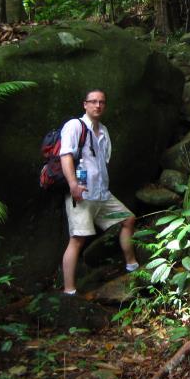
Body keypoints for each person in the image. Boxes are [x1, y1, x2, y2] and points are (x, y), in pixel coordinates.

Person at [60, 89, 138, 295]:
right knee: (77, 239)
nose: (98, 105)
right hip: (82, 196)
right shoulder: (74, 126)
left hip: (102, 195)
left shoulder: (103, 131)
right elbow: (65, 155)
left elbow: (103, 161)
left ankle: (132, 266)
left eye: (101, 102)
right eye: (93, 101)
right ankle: (69, 291)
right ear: (84, 104)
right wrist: (73, 184)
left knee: (128, 219)